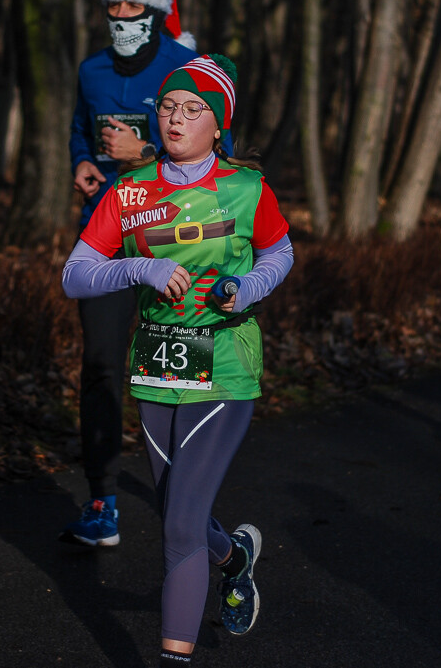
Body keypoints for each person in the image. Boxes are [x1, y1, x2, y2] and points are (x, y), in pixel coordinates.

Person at [62, 54, 293, 666]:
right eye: (167, 107)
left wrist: (248, 287)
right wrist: (141, 267)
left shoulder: (245, 188)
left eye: (193, 109)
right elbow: (75, 274)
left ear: (218, 126)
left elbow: (280, 252)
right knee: (177, 515)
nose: (176, 118)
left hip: (225, 365)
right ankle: (235, 559)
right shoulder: (131, 191)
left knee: (180, 528)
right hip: (157, 367)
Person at [61, 0, 200, 547]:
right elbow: (79, 129)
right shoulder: (91, 70)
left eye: (132, 7)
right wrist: (83, 162)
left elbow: (218, 154)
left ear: (156, 13)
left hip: (177, 236)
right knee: (100, 366)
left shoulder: (185, 70)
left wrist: (144, 153)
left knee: (175, 372)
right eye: (113, 7)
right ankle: (102, 501)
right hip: (107, 237)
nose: (120, 17)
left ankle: (188, 500)